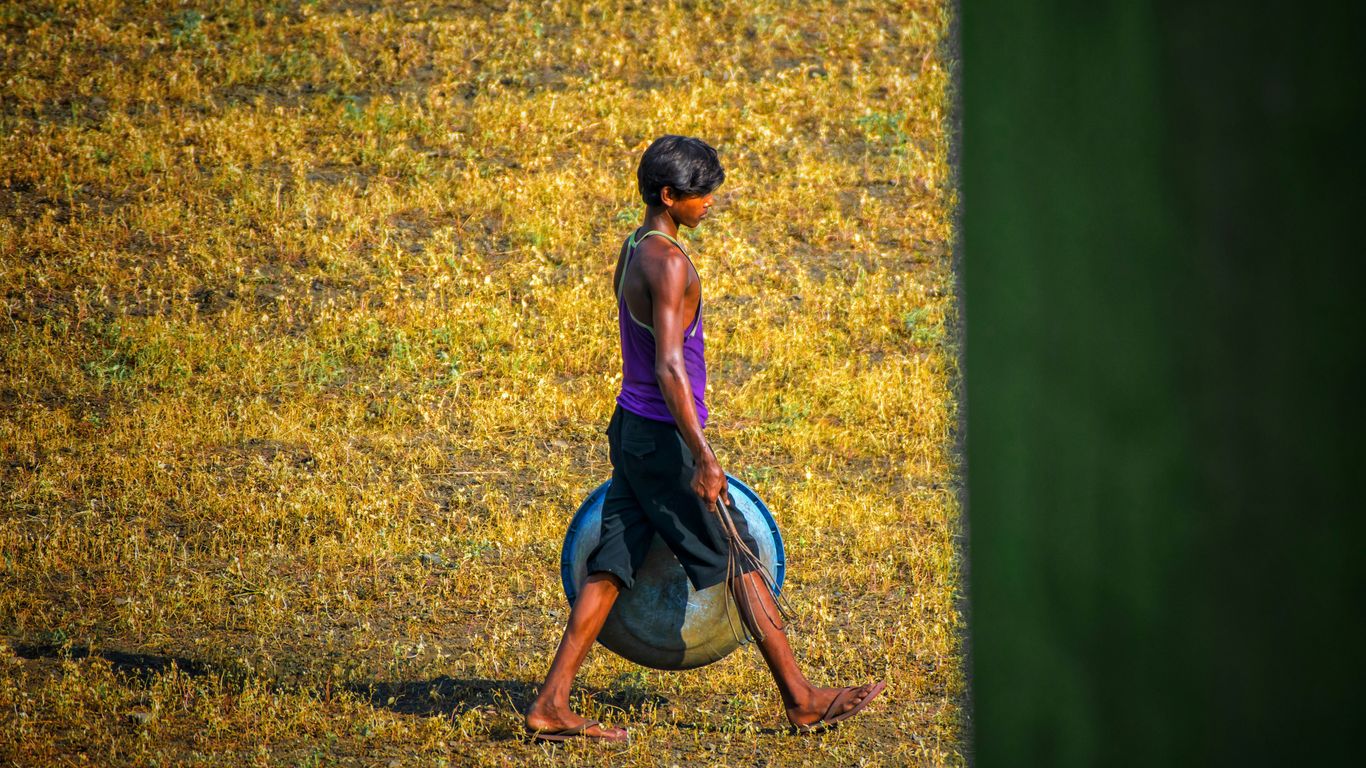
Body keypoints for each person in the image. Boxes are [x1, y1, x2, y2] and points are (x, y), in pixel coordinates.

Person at [524, 135, 886, 743]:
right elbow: (668, 366)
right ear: (669, 196)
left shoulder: (635, 244)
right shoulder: (667, 263)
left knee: (613, 560)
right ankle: (801, 699)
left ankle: (551, 704)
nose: (710, 202)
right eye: (701, 193)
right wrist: (703, 453)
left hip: (632, 430)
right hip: (664, 440)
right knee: (737, 553)